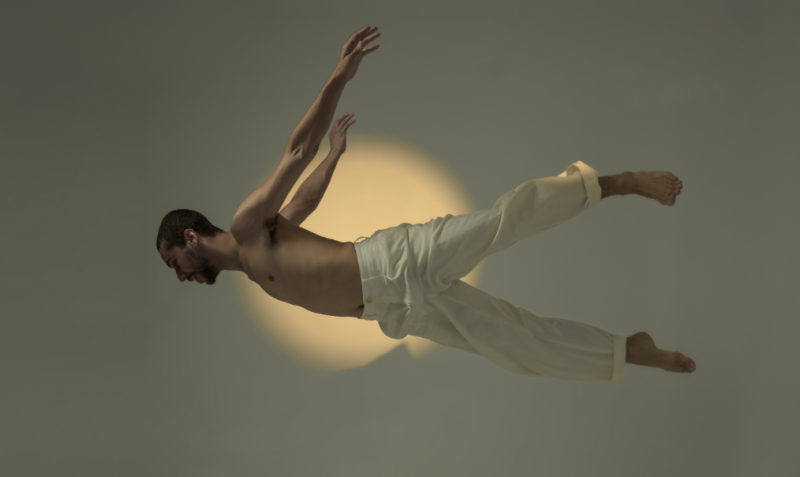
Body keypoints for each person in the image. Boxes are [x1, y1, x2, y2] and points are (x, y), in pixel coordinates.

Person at [156, 26, 696, 382]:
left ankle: (616, 183)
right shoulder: (255, 267)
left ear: (190, 238)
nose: (179, 274)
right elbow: (306, 201)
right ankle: (627, 350)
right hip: (396, 311)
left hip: (394, 261)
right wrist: (336, 157)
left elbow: (297, 152)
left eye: (172, 261)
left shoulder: (246, 224)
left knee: (504, 221)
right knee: (514, 344)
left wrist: (338, 79)